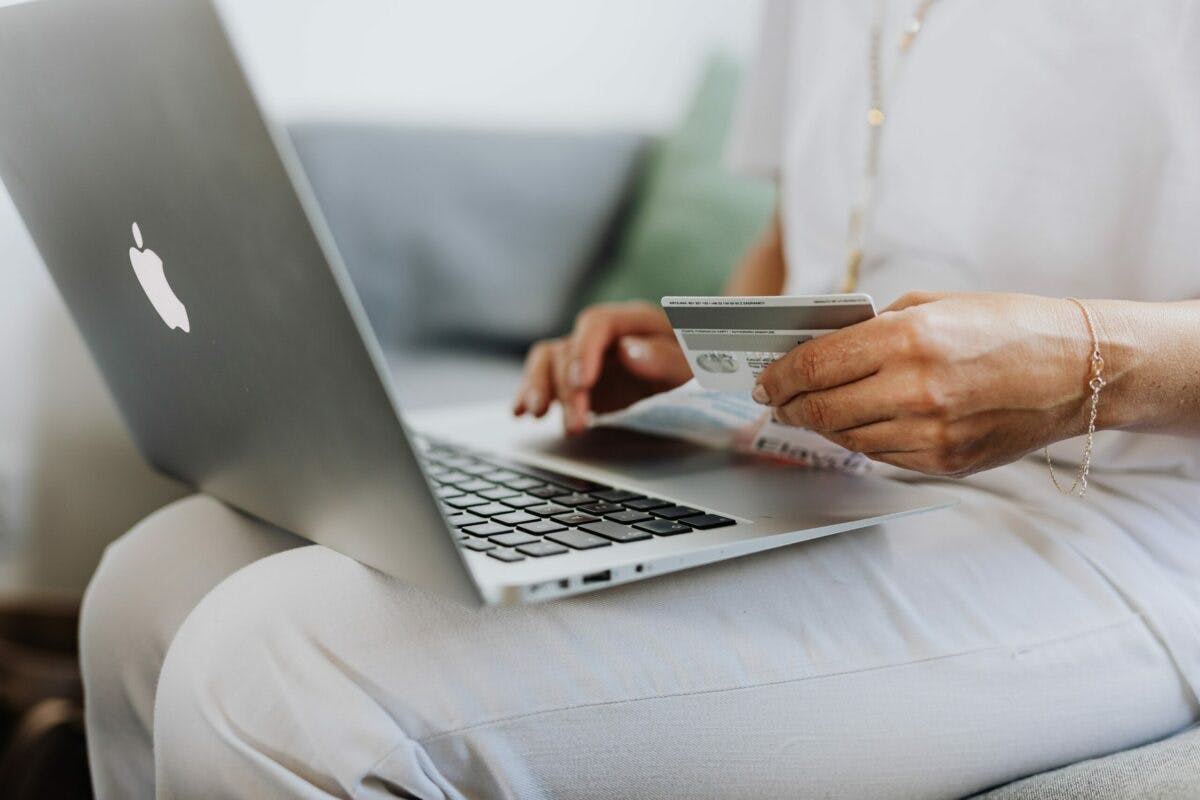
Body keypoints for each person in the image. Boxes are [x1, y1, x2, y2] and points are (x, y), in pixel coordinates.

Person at [80, 2, 1200, 798]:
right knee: (153, 582)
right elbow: (796, 235)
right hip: (816, 461)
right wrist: (718, 344)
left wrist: (1080, 359)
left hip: (1104, 516)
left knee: (274, 678)